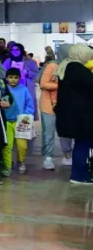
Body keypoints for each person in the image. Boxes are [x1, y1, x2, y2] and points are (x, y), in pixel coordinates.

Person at [55, 45, 93, 185]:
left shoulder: (67, 66)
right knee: (83, 143)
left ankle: (79, 174)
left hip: (74, 115)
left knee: (81, 143)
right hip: (81, 116)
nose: (89, 58)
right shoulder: (77, 69)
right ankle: (79, 175)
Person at [39, 44, 71, 171]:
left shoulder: (72, 67)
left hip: (66, 104)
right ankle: (48, 157)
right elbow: (43, 83)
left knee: (67, 131)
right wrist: (61, 86)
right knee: (49, 132)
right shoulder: (52, 66)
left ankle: (68, 155)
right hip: (48, 104)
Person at [2, 67, 36, 176]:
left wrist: (26, 115)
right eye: (10, 77)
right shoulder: (3, 90)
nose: (13, 80)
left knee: (22, 145)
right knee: (7, 145)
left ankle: (21, 162)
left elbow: (30, 105)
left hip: (21, 121)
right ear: (6, 78)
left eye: (16, 77)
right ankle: (7, 166)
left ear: (19, 78)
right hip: (7, 121)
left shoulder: (24, 89)